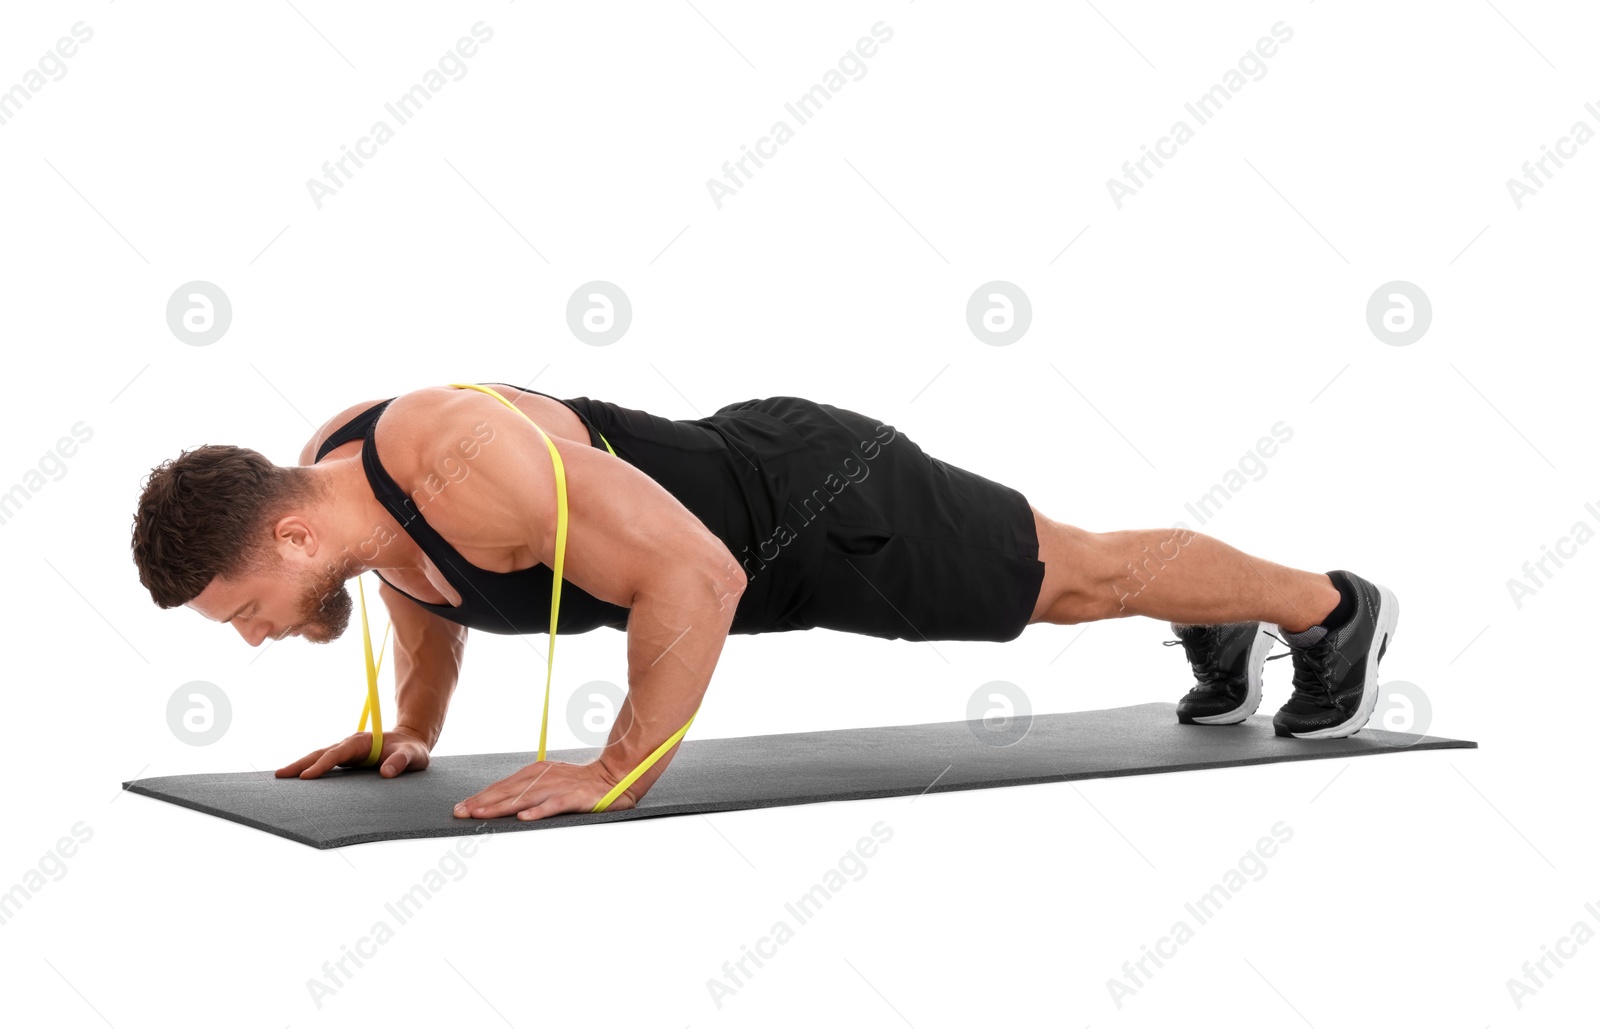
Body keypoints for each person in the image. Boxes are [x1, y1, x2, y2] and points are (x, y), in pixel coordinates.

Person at [129, 382, 1397, 821]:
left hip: (816, 509)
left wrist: (619, 767)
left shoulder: (454, 456)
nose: (248, 637)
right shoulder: (350, 479)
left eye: (242, 607)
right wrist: (412, 729)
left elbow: (700, 577)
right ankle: (1224, 618)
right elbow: (422, 581)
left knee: (1073, 580)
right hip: (752, 501)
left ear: (289, 530)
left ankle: (1329, 609)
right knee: (1076, 579)